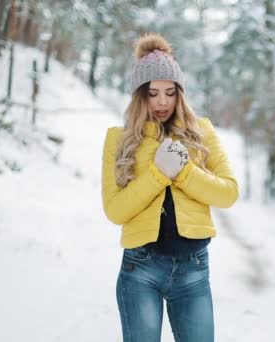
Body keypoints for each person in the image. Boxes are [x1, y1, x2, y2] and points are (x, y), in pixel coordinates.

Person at [101, 33, 238, 342]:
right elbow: (115, 210)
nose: (162, 102)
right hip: (141, 268)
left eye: (169, 92)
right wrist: (159, 174)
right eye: (152, 93)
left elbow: (228, 192)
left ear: (180, 94)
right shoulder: (118, 139)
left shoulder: (202, 132)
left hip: (193, 269)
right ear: (139, 95)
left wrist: (185, 172)